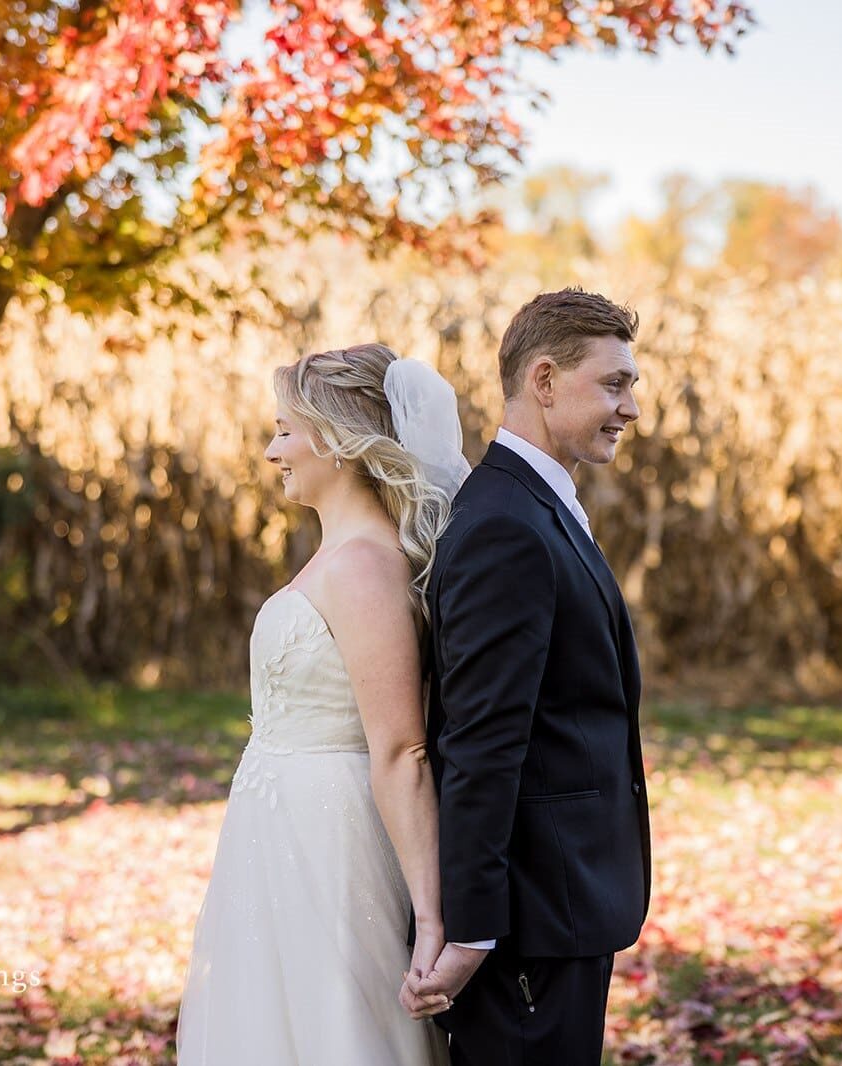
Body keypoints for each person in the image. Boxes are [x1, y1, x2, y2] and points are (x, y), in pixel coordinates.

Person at [177, 343, 469, 1065]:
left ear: (337, 440)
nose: (273, 450)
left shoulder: (366, 566)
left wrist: (431, 917)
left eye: (284, 429)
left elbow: (401, 747)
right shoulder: (338, 553)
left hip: (329, 841)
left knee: (335, 1025)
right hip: (276, 831)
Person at [402, 288, 651, 1066]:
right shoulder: (506, 525)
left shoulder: (536, 505)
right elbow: (479, 740)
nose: (631, 408)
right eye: (615, 384)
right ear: (544, 381)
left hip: (563, 905)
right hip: (531, 922)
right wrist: (472, 929)